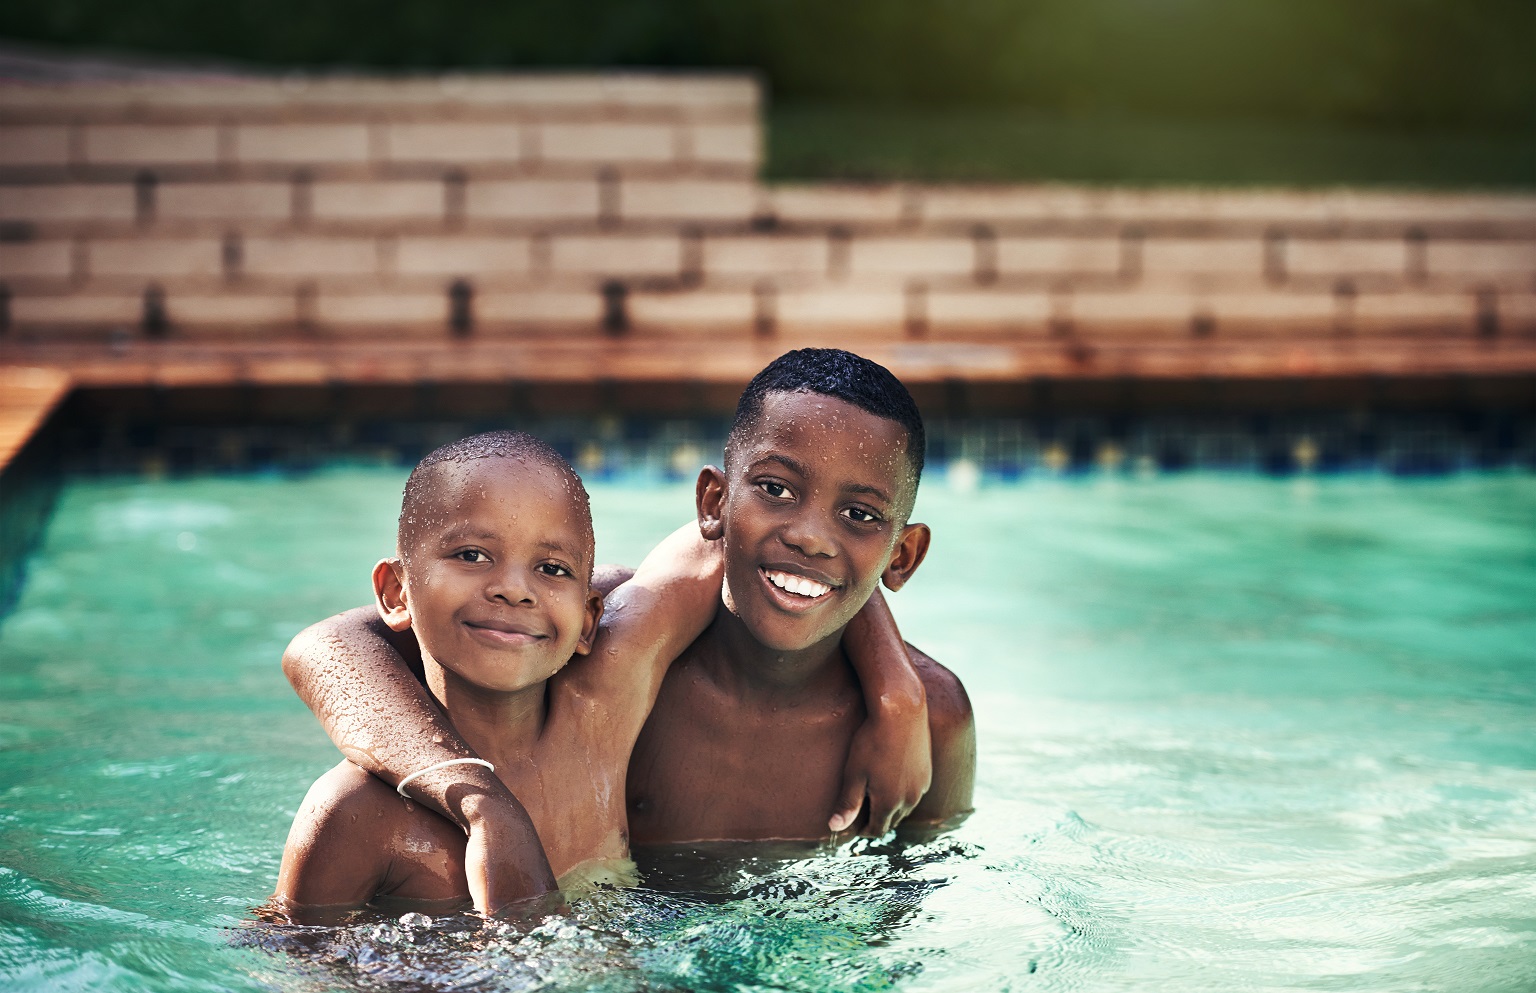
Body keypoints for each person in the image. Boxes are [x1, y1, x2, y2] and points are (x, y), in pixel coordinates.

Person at [283, 349, 975, 910]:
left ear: (903, 554)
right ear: (714, 502)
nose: (811, 536)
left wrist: (895, 689)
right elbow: (331, 645)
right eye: (775, 489)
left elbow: (905, 924)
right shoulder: (610, 638)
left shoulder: (932, 721)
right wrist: (482, 799)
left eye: (859, 516)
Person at [272, 432, 718, 921]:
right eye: (471, 555)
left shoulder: (601, 718)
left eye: (551, 568)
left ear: (590, 618)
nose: (513, 589)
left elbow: (749, 545)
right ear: (397, 592)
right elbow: (295, 959)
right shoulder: (356, 813)